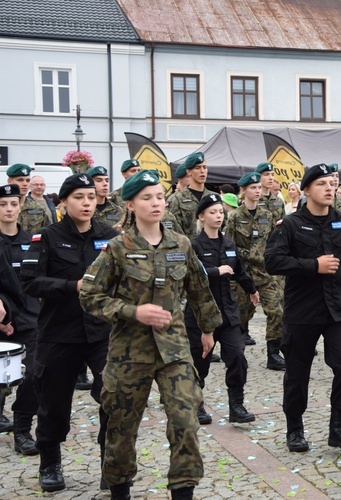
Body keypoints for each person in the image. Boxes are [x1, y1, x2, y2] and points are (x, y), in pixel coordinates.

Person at [79, 170, 221, 500]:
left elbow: (199, 289)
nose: (156, 203)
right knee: (122, 427)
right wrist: (133, 312)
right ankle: (119, 490)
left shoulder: (180, 243)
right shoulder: (117, 248)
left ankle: (183, 492)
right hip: (130, 353)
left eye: (159, 196)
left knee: (186, 421)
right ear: (130, 204)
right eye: (147, 198)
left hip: (174, 350)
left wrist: (209, 329)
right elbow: (89, 295)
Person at [264, 163, 341, 453]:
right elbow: (272, 261)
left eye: (332, 184)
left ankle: (338, 428)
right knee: (298, 373)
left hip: (338, 310)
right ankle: (295, 429)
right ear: (306, 190)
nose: (329, 189)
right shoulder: (290, 224)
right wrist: (314, 265)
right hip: (302, 312)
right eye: (322, 184)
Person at [21, 174, 119, 492]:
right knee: (53, 403)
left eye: (91, 196)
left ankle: (111, 463)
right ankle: (50, 462)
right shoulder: (47, 237)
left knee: (113, 396)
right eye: (79, 197)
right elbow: (30, 282)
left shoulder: (110, 236)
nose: (87, 202)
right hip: (59, 333)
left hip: (102, 333)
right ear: (63, 202)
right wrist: (70, 286)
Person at [186, 193, 259, 425]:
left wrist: (252, 289)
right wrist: (216, 271)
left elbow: (239, 270)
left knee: (237, 356)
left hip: (227, 312)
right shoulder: (193, 245)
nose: (218, 216)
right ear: (201, 216)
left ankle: (236, 406)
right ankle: (196, 405)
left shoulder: (228, 244)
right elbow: (189, 275)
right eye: (212, 212)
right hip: (200, 314)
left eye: (220, 212)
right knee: (200, 362)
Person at [224, 172, 285, 367]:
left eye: (259, 187)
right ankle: (236, 349)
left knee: (276, 310)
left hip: (265, 273)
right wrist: (248, 257)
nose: (257, 191)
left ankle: (273, 353)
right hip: (243, 274)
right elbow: (229, 246)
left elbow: (273, 241)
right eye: (253, 188)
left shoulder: (266, 215)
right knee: (242, 314)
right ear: (243, 191)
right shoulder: (233, 217)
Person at [0, 184, 41, 455]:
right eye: (3, 204)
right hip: (1, 318)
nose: (9, 209)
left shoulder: (33, 241)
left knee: (34, 375)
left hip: (30, 319)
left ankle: (22, 430)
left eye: (13, 204)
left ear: (21, 205)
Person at [168, 153, 218, 238]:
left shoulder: (215, 197)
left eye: (204, 167)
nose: (202, 171)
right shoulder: (176, 199)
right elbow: (173, 231)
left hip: (212, 248)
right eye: (197, 168)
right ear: (189, 172)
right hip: (189, 248)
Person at [6, 163, 53, 234]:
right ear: (9, 181)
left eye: (27, 180)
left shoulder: (38, 208)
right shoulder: (3, 208)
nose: (25, 184)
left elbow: (48, 234)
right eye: (20, 180)